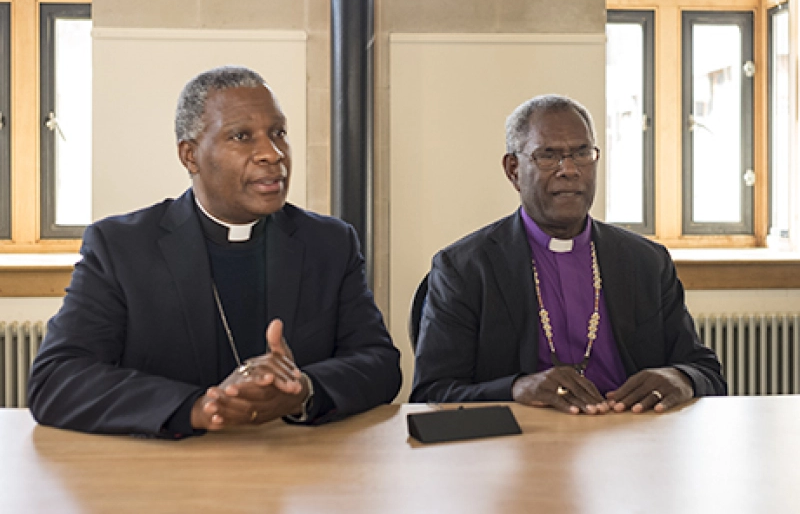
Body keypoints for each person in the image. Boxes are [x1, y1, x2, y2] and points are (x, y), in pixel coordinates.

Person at [28, 65, 401, 437]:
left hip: (296, 472)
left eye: (278, 133)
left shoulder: (329, 243)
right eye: (241, 136)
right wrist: (196, 408)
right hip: (167, 476)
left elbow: (380, 363)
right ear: (190, 155)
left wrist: (303, 390)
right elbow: (57, 378)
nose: (272, 154)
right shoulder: (121, 248)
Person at [411, 94, 726, 415]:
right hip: (519, 445)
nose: (570, 170)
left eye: (582, 153)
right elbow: (431, 392)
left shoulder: (645, 261)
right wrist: (516, 388)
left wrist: (679, 377)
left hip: (631, 437)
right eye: (548, 156)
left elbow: (705, 370)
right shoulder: (465, 268)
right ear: (513, 170)